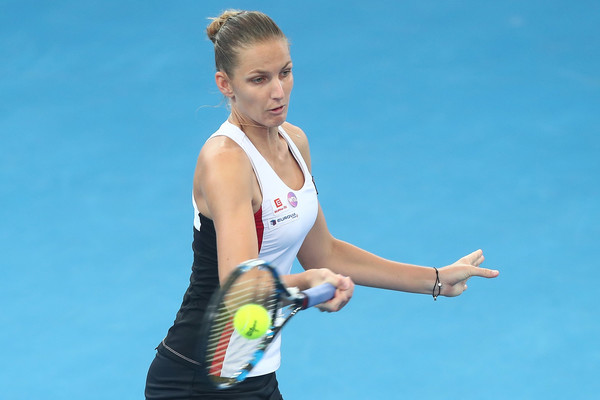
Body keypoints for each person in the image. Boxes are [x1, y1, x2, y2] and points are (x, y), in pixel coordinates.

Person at [145, 9, 499, 400]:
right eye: (258, 79)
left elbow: (324, 253)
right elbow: (242, 287)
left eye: (285, 72)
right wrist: (308, 286)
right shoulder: (226, 160)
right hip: (197, 378)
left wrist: (433, 278)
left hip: (255, 374)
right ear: (225, 84)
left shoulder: (295, 142)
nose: (278, 91)